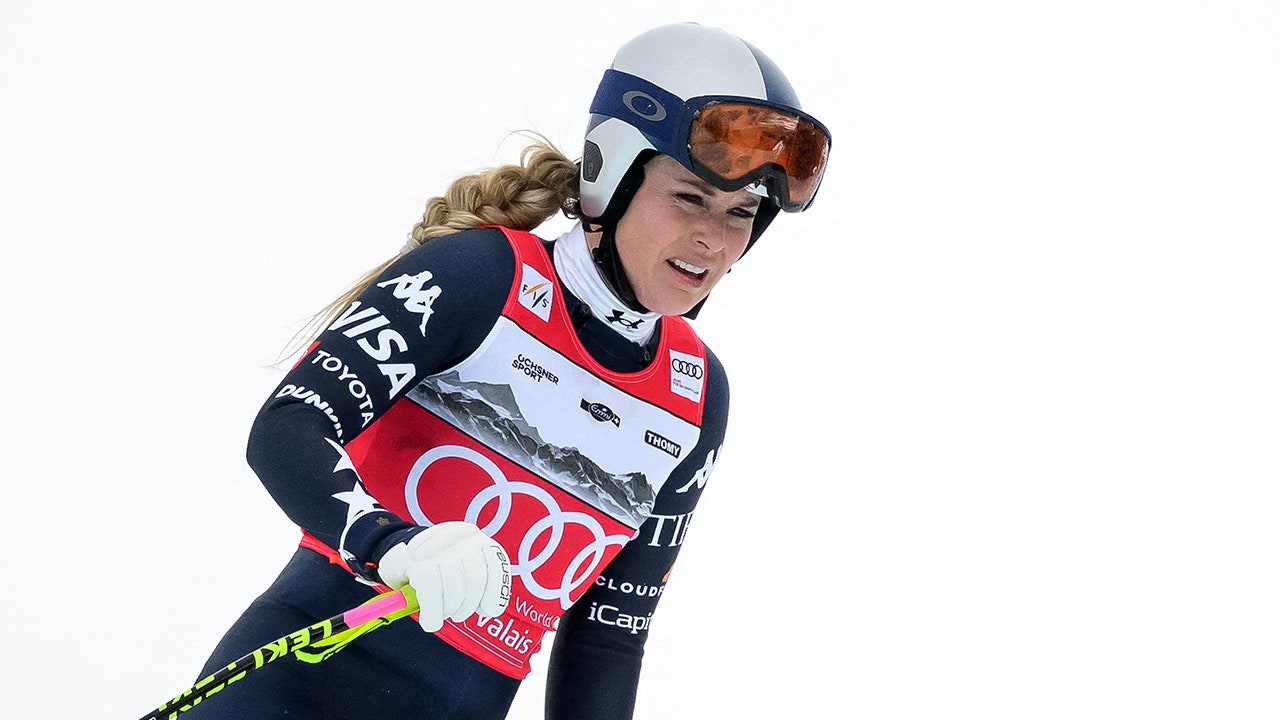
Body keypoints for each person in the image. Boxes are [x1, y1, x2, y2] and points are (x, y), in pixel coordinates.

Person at [177, 21, 831, 720]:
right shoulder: (482, 276)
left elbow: (609, 638)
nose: (713, 238)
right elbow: (288, 425)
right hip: (288, 690)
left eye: (741, 213)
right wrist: (387, 543)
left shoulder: (697, 396)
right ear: (612, 176)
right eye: (690, 198)